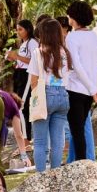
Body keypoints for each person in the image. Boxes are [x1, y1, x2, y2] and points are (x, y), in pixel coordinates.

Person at [28, 19, 72, 173]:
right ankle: (55, 174)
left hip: (44, 95)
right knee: (57, 141)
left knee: (40, 141)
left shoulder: (38, 53)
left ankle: (41, 177)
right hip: (63, 95)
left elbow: (34, 81)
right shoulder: (65, 53)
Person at [64, 1, 97, 163]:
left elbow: (76, 66)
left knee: (77, 131)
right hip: (89, 92)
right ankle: (80, 163)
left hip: (75, 90)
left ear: (74, 18)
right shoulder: (95, 37)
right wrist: (93, 88)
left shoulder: (72, 37)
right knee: (79, 130)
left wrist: (93, 89)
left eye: (69, 16)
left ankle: (81, 165)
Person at [6, 19, 37, 141]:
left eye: (20, 29)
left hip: (26, 75)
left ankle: (26, 140)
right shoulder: (24, 43)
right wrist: (14, 59)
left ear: (28, 30)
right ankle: (24, 139)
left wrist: (17, 56)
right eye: (17, 29)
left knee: (22, 106)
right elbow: (22, 61)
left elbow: (35, 61)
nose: (18, 32)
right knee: (18, 105)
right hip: (19, 74)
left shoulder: (32, 43)